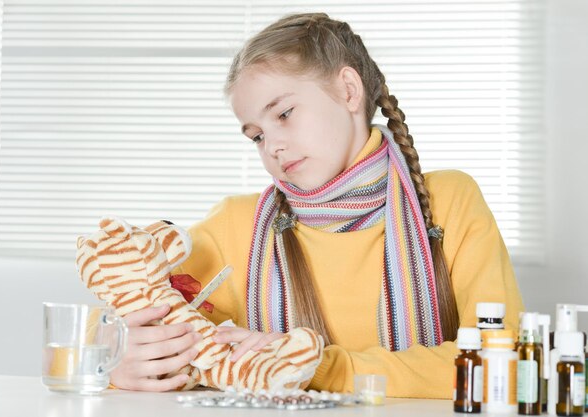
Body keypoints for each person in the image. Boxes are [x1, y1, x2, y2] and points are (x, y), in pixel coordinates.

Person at [109, 12, 524, 398]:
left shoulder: (449, 201)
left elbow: (499, 364)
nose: (272, 146)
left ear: (347, 90)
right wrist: (115, 359)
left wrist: (319, 367)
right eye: (255, 135)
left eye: (285, 114)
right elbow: (121, 308)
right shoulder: (237, 226)